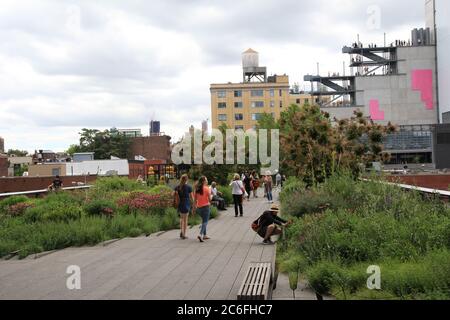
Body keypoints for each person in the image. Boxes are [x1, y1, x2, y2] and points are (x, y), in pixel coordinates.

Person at [174, 174, 194, 240]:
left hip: (180, 204)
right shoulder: (189, 187)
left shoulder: (177, 187)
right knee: (185, 220)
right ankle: (183, 234)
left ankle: (181, 231)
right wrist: (193, 204)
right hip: (186, 203)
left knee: (181, 218)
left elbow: (173, 194)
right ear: (187, 179)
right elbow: (192, 197)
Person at [194, 176, 212, 243]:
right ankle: (200, 234)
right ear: (204, 181)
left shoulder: (197, 189)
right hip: (206, 207)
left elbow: (195, 200)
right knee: (205, 222)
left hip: (199, 208)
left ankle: (205, 235)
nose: (207, 181)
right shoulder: (207, 189)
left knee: (203, 221)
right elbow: (210, 199)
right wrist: (211, 198)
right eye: (206, 180)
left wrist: (193, 208)